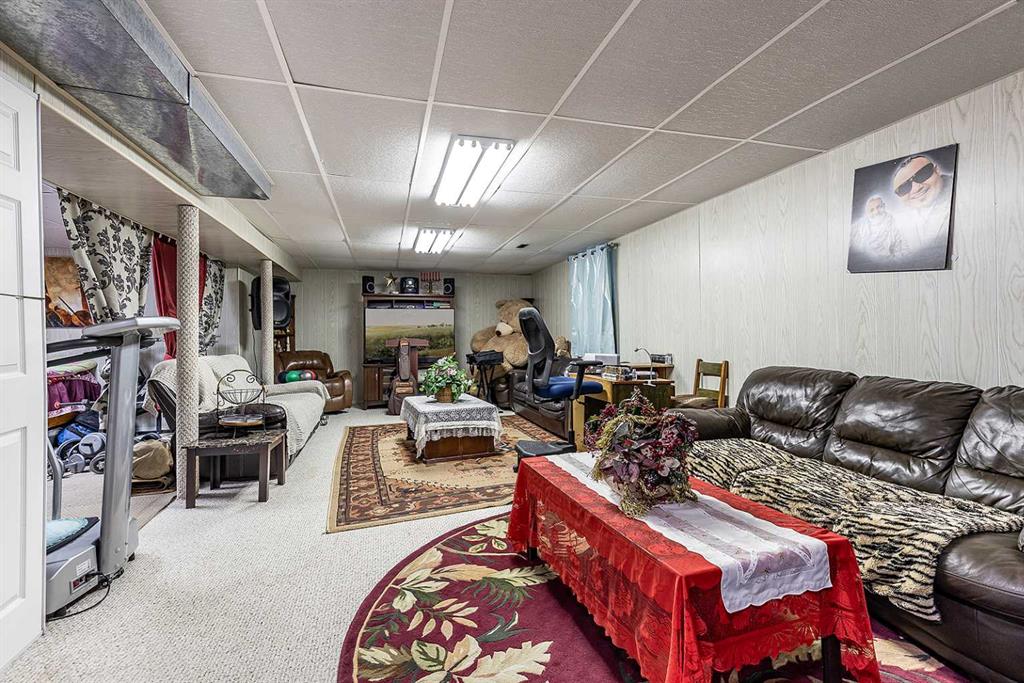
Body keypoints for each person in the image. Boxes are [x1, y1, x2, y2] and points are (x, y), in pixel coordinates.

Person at [890, 154, 953, 266]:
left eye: (922, 174)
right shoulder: (900, 222)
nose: (916, 188)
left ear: (937, 170)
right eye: (904, 188)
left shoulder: (963, 191)